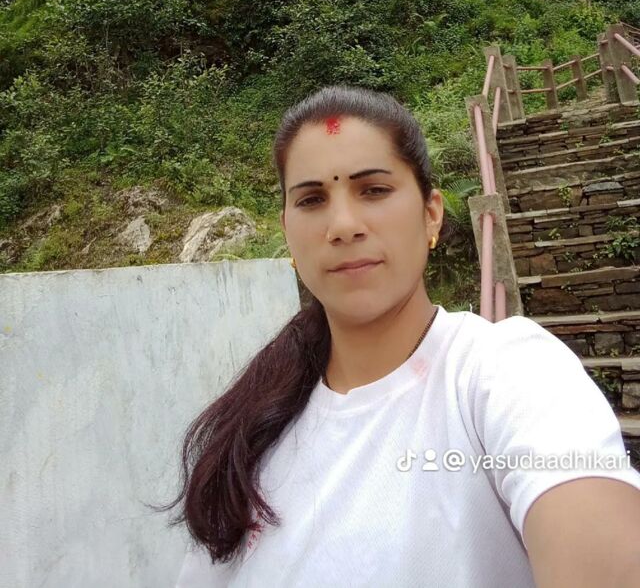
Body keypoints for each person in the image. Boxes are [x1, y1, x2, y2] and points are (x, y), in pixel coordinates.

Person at [167, 84, 640, 587]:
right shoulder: (253, 428)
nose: (343, 225)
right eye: (312, 199)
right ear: (287, 229)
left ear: (431, 213)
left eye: (374, 190)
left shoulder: (504, 374)